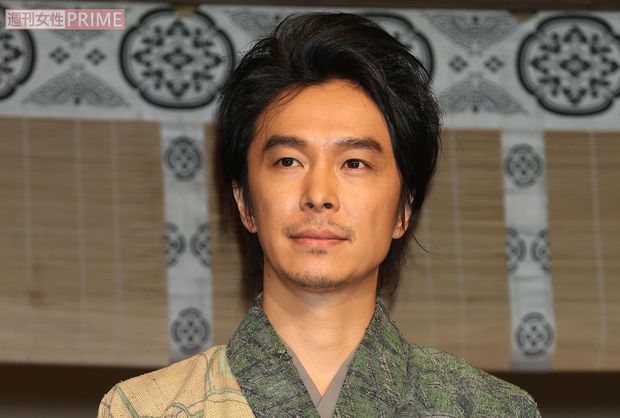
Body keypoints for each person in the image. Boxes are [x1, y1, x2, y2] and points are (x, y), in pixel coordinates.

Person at [98, 12, 541, 418]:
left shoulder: (492, 410)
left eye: (355, 163)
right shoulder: (145, 409)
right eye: (288, 161)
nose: (319, 196)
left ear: (403, 210)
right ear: (245, 203)